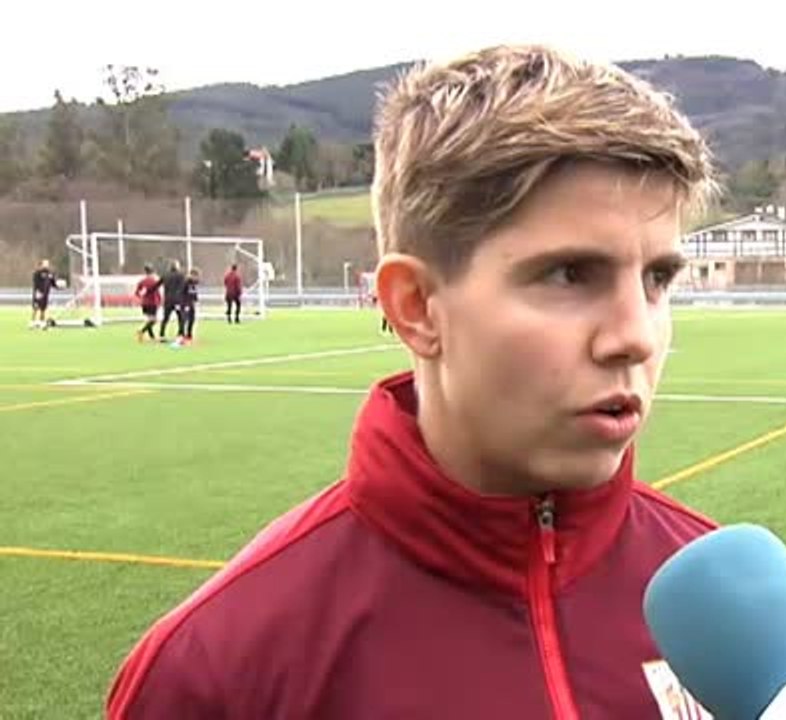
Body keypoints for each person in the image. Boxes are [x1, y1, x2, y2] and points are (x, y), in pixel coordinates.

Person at [107, 44, 719, 719]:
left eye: (658, 278)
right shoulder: (220, 672)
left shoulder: (725, 604)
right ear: (416, 307)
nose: (635, 334)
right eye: (570, 274)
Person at [157, 261, 186, 341]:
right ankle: (180, 334)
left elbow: (157, 285)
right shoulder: (181, 276)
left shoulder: (165, 275)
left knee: (165, 318)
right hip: (178, 300)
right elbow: (184, 287)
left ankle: (161, 335)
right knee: (181, 317)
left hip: (167, 300)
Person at [134, 265, 162, 342]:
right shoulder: (154, 281)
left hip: (145, 303)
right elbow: (157, 293)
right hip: (153, 302)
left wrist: (142, 297)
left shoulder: (142, 281)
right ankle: (142, 331)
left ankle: (152, 337)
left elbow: (137, 292)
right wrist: (160, 300)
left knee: (149, 320)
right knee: (154, 320)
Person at [174, 267, 200, 346]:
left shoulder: (194, 283)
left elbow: (194, 293)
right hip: (184, 304)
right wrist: (180, 304)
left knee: (192, 320)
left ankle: (189, 335)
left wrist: (195, 300)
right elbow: (181, 293)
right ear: (192, 275)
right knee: (184, 320)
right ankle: (181, 336)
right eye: (195, 276)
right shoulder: (185, 282)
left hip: (191, 304)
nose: (197, 277)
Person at [29, 259, 56, 329]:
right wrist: (38, 292)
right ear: (41, 264)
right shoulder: (37, 273)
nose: (47, 265)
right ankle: (32, 322)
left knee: (43, 309)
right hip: (38, 293)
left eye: (47, 264)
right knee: (35, 308)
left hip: (46, 294)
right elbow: (36, 283)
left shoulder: (50, 273)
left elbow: (53, 283)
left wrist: (59, 286)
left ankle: (41, 322)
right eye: (45, 264)